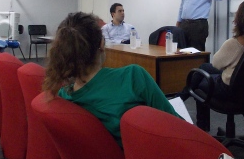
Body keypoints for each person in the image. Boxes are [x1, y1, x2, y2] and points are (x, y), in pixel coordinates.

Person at [43, 12, 180, 145]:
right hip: (151, 158)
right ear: (102, 45)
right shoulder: (132, 77)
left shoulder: (62, 96)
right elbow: (175, 124)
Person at [186, 0, 244, 131]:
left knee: (198, 86)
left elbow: (216, 64)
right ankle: (182, 96)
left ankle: (202, 129)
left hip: (231, 89)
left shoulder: (234, 43)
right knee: (202, 68)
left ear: (240, 18)